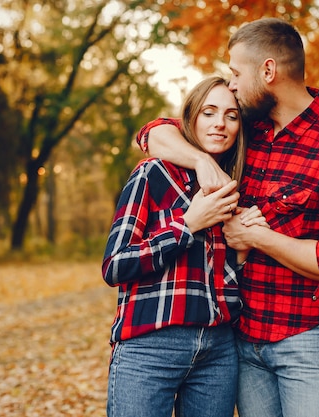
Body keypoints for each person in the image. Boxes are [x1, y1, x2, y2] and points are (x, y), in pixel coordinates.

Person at [135, 18, 319, 417]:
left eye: (235, 74)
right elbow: (151, 132)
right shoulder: (248, 128)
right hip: (245, 338)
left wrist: (257, 237)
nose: (230, 86)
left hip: (310, 338)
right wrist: (199, 160)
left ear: (268, 71)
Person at [102, 76, 268, 417]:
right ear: (190, 119)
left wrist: (243, 252)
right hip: (150, 346)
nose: (220, 123)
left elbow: (222, 284)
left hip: (218, 352)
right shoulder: (154, 174)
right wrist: (188, 225)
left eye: (231, 116)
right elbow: (115, 265)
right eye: (209, 112)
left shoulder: (233, 188)